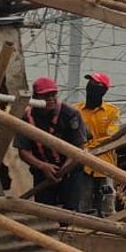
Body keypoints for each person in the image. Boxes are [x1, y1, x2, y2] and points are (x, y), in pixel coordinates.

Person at [14, 77, 88, 210]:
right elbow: (23, 151)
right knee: (44, 210)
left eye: (53, 95)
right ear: (35, 97)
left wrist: (63, 171)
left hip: (69, 169)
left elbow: (78, 149)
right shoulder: (26, 118)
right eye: (45, 96)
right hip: (42, 171)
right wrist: (42, 166)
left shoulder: (70, 114)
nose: (50, 99)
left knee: (70, 210)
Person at [75, 72, 121, 217]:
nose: (92, 86)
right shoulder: (76, 110)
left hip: (105, 166)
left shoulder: (112, 111)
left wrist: (88, 147)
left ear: (104, 90)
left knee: (107, 201)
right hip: (83, 166)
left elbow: (111, 136)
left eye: (96, 84)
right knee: (84, 202)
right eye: (90, 83)